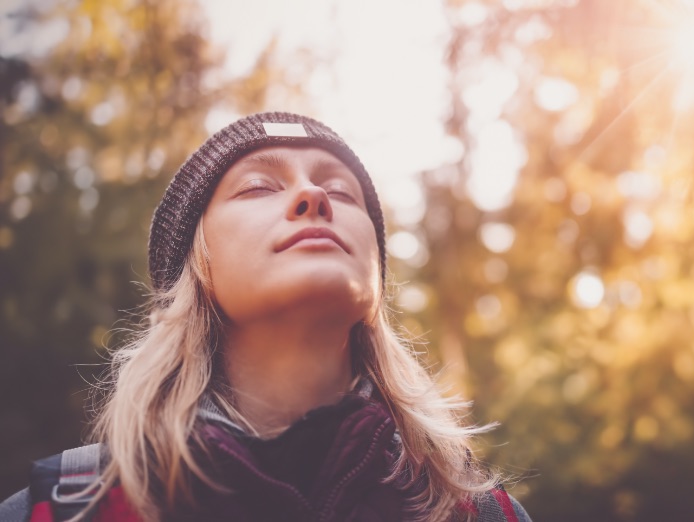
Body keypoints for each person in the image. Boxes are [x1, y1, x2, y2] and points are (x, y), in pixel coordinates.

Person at [0, 112, 531, 522]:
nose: (315, 195)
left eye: (343, 192)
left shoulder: (477, 512)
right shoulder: (62, 509)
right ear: (195, 266)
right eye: (257, 186)